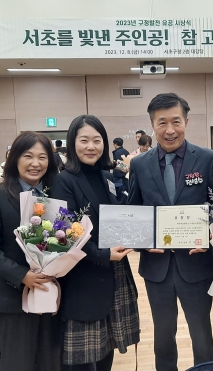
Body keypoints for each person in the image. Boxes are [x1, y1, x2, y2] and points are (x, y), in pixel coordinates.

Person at [127, 93, 213, 371]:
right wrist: (143, 243)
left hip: (196, 263)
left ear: (187, 122)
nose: (170, 130)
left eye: (176, 121)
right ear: (152, 126)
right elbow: (134, 211)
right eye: (162, 123)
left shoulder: (206, 158)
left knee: (201, 332)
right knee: (162, 334)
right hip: (157, 267)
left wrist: (210, 235)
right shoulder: (139, 165)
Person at [52, 116, 140, 371]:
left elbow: (120, 215)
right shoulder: (63, 181)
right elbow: (64, 236)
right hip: (84, 278)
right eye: (84, 140)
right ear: (72, 143)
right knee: (82, 359)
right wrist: (102, 254)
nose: (91, 146)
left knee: (107, 349)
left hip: (114, 273)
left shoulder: (107, 176)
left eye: (97, 140)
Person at [0, 132, 61, 371]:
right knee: (18, 363)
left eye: (42, 157)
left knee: (51, 362)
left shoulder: (56, 196)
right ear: (14, 158)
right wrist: (22, 276)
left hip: (50, 294)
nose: (36, 163)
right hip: (13, 298)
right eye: (28, 156)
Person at [112, 137, 130, 202]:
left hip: (118, 176)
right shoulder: (126, 151)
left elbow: (118, 164)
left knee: (118, 193)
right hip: (125, 176)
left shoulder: (117, 152)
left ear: (115, 144)